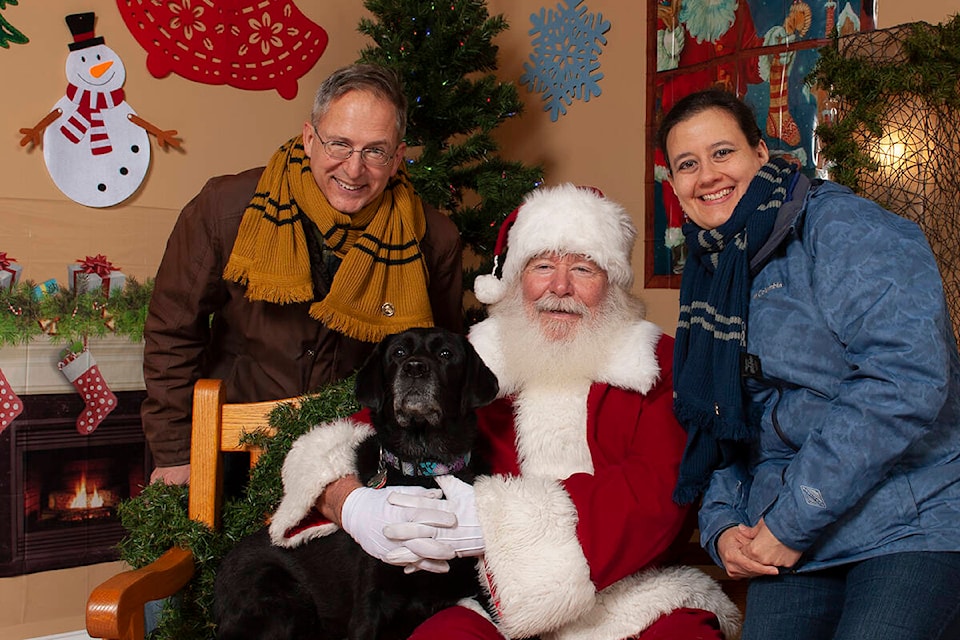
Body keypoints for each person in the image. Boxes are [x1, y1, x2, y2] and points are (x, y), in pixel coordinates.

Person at [266, 184, 742, 639]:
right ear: (514, 281)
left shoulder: (656, 366)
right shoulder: (472, 363)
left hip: (629, 595)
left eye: (583, 269)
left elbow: (662, 492)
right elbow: (348, 440)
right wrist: (348, 502)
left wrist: (497, 523)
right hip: (487, 598)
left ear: (612, 284)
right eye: (541, 266)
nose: (560, 286)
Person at [658, 88, 960, 640]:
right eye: (687, 164)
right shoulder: (713, 273)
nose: (706, 176)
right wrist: (723, 523)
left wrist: (793, 517)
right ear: (675, 186)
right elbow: (718, 419)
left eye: (722, 153)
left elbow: (905, 379)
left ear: (761, 153)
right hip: (792, 533)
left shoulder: (844, 228)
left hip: (909, 517)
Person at [142, 64, 463, 485]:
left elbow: (443, 362)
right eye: (339, 145)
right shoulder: (225, 208)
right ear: (309, 138)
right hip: (232, 452)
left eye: (375, 151)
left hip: (356, 458)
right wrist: (175, 451)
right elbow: (172, 332)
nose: (353, 169)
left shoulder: (433, 239)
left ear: (398, 157)